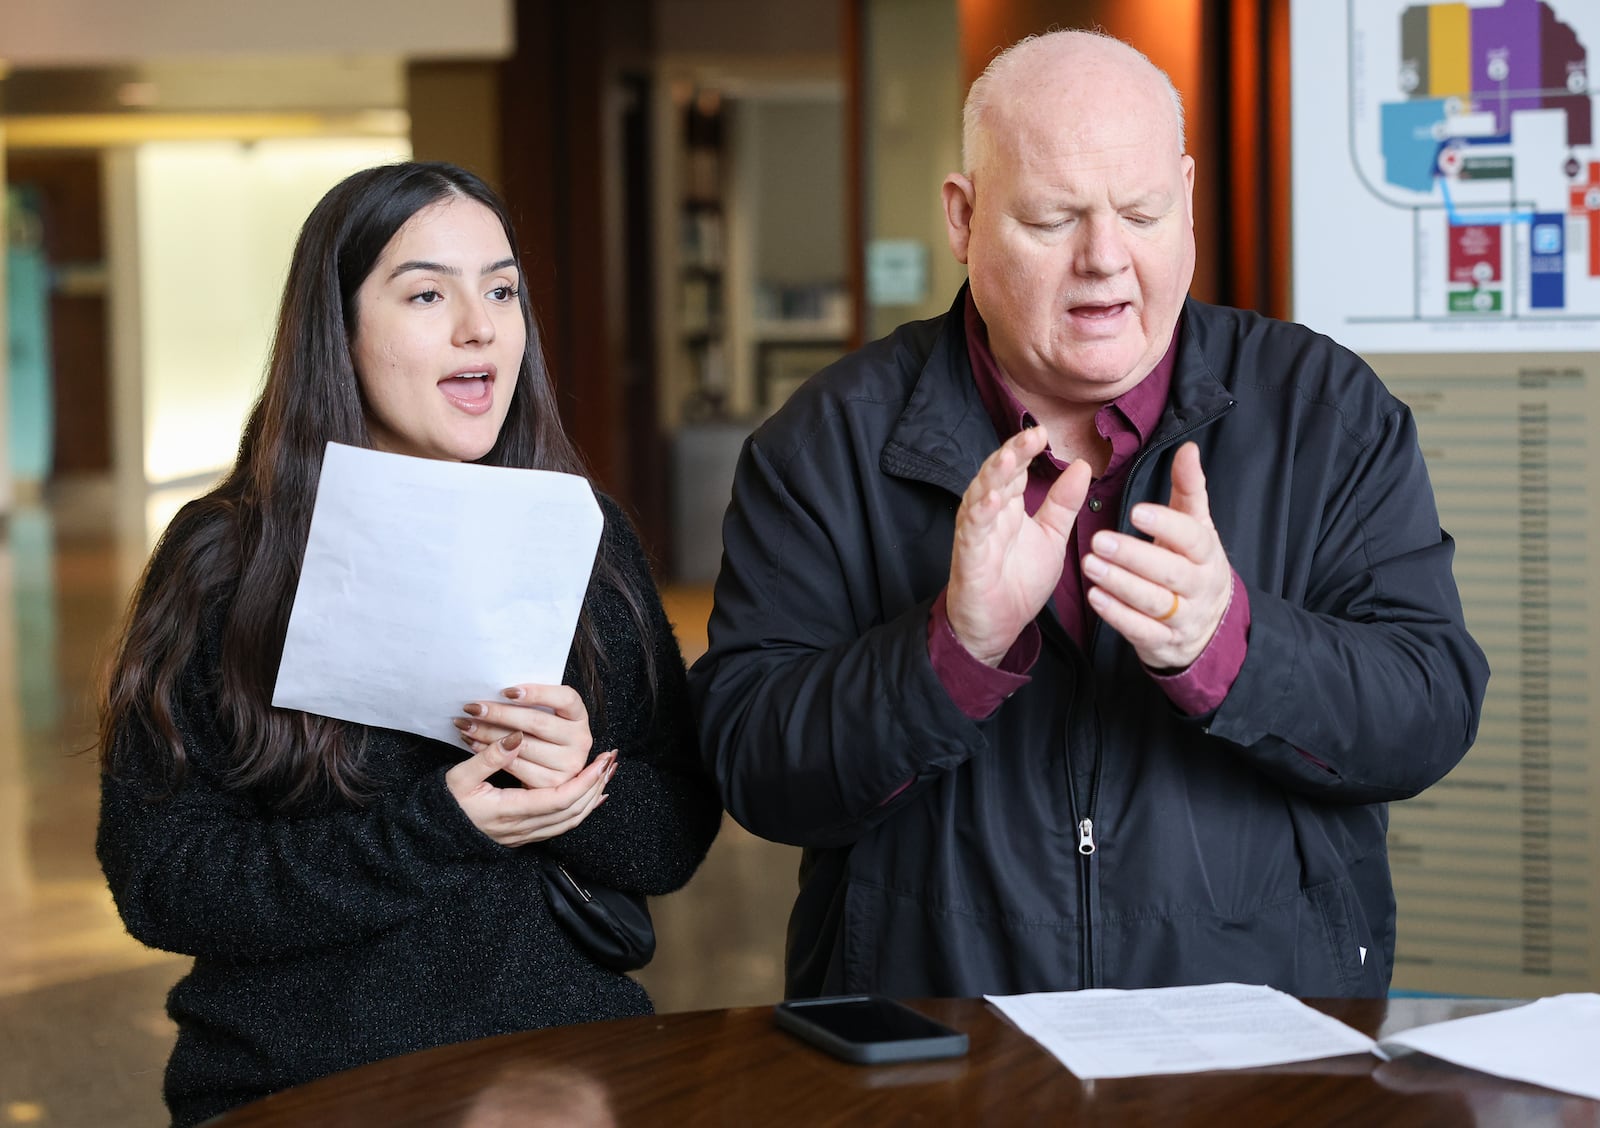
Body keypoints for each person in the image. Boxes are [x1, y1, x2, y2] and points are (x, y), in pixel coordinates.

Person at [688, 31, 1487, 1000]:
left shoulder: (1327, 409)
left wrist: (1225, 643)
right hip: (935, 1025)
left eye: (1143, 213)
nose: (1104, 260)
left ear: (1187, 201)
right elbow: (755, 770)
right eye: (1052, 218)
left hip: (1265, 1027)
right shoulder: (826, 439)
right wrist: (953, 647)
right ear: (963, 215)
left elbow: (1428, 709)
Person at [96, 161, 722, 1126]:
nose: (481, 326)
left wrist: (573, 794)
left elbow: (673, 837)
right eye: (428, 293)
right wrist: (432, 831)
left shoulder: (581, 535)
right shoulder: (228, 556)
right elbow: (162, 883)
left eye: (502, 290)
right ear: (337, 332)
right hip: (300, 1086)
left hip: (568, 1069)